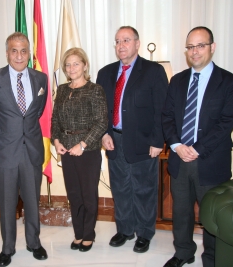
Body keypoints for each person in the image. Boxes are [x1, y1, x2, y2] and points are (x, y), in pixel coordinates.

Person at [162, 26, 233, 267]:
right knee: (181, 212)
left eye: (200, 45)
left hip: (210, 160)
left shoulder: (228, 81)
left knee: (211, 216)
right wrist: (176, 145)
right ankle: (183, 253)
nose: (194, 51)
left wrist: (196, 148)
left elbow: (225, 123)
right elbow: (167, 117)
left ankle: (212, 259)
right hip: (179, 157)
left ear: (212, 47)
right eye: (190, 47)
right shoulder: (177, 81)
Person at [96, 26, 168, 253]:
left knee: (144, 189)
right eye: (117, 41)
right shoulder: (105, 72)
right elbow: (101, 110)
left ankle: (145, 233)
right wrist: (104, 133)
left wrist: (159, 141)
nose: (121, 45)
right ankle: (125, 229)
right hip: (114, 140)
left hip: (144, 142)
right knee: (120, 188)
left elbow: (161, 110)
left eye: (126, 40)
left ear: (137, 43)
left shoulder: (153, 71)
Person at [0, 32, 48, 267]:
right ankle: (7, 248)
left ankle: (34, 243)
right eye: (14, 50)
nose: (19, 55)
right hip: (5, 151)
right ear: (7, 52)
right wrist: (6, 132)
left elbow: (36, 112)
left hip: (31, 150)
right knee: (7, 204)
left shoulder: (41, 79)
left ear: (29, 53)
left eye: (24, 50)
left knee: (32, 200)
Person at [51, 48, 107, 252]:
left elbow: (102, 123)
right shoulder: (63, 90)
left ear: (85, 65)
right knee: (73, 194)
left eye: (76, 63)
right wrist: (56, 140)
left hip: (88, 150)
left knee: (88, 194)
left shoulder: (95, 89)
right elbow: (55, 118)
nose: (72, 67)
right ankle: (78, 233)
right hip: (65, 149)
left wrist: (82, 144)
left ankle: (88, 235)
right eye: (68, 64)